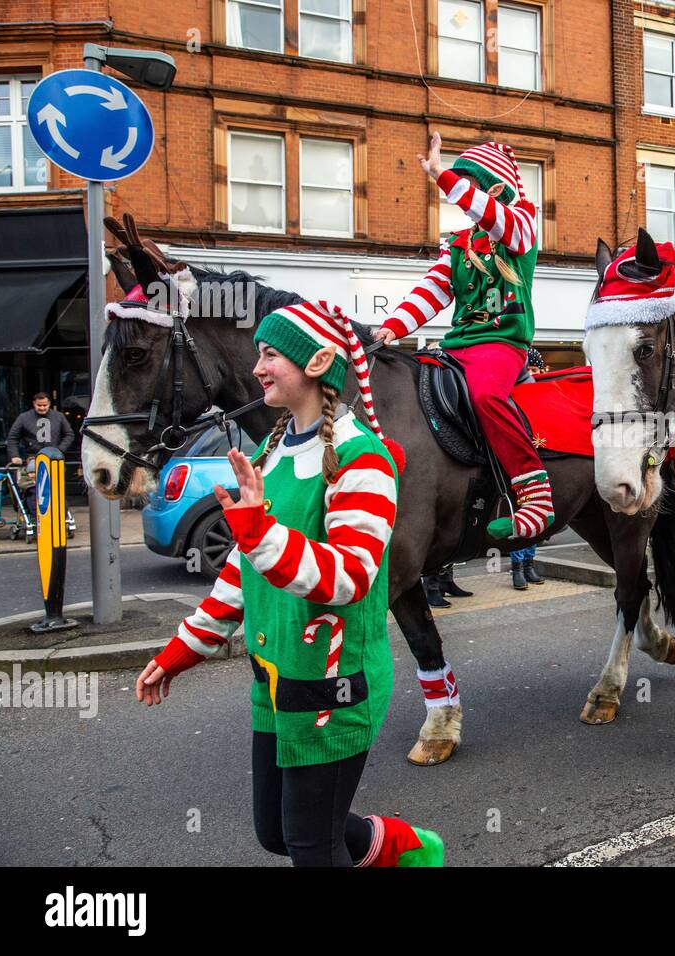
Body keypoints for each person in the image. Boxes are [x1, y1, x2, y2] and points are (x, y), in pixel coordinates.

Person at [135, 300, 443, 867]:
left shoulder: (363, 460)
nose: (258, 368)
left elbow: (350, 576)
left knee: (309, 846)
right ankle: (397, 845)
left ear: (319, 361)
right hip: (276, 685)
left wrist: (259, 534)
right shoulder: (269, 450)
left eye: (271, 354)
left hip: (333, 690)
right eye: (259, 355)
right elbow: (241, 572)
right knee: (275, 833)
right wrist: (185, 649)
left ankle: (397, 848)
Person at [374, 133, 551, 541]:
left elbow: (493, 216)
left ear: (494, 188)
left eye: (473, 185)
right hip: (458, 344)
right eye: (463, 185)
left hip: (503, 344)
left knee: (486, 395)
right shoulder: (456, 245)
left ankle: (534, 490)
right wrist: (393, 327)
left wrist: (442, 174)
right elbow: (432, 291)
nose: (465, 195)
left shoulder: (520, 226)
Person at [509, 347, 547, 590]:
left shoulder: (541, 395)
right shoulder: (512, 395)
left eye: (535, 369)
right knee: (522, 517)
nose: (532, 374)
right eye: (528, 370)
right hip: (519, 466)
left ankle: (530, 564)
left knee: (538, 518)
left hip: (539, 460)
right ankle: (517, 569)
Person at [6, 393, 75, 519]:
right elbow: (13, 438)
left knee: (55, 489)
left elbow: (69, 434)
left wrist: (59, 450)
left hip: (54, 458)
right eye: (39, 405)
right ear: (34, 404)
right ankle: (37, 515)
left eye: (45, 405)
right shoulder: (24, 417)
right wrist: (14, 456)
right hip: (33, 459)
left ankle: (60, 515)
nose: (42, 408)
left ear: (49, 404)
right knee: (34, 488)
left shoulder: (58, 417)